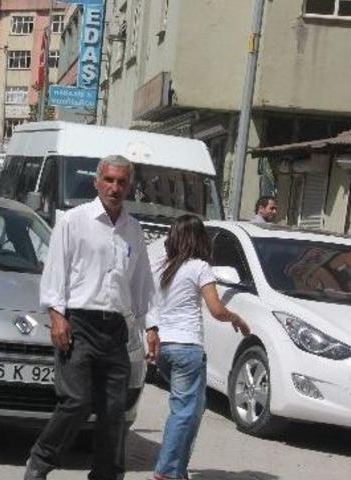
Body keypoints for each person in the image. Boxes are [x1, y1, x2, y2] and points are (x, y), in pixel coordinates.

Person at [24, 155, 156, 480]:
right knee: (77, 402)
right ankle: (40, 463)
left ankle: (106, 475)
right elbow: (55, 273)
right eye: (109, 180)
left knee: (114, 411)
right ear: (96, 182)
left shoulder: (133, 231)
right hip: (78, 324)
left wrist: (151, 325)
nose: (115, 187)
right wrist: (57, 317)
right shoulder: (73, 221)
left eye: (121, 182)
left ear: (130, 186)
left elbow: (142, 285)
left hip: (115, 330)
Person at [147, 215, 251, 480]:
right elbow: (216, 309)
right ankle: (167, 471)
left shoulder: (163, 266)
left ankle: (177, 469)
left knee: (193, 407)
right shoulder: (200, 267)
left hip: (165, 347)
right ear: (199, 238)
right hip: (186, 347)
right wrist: (236, 318)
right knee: (184, 411)